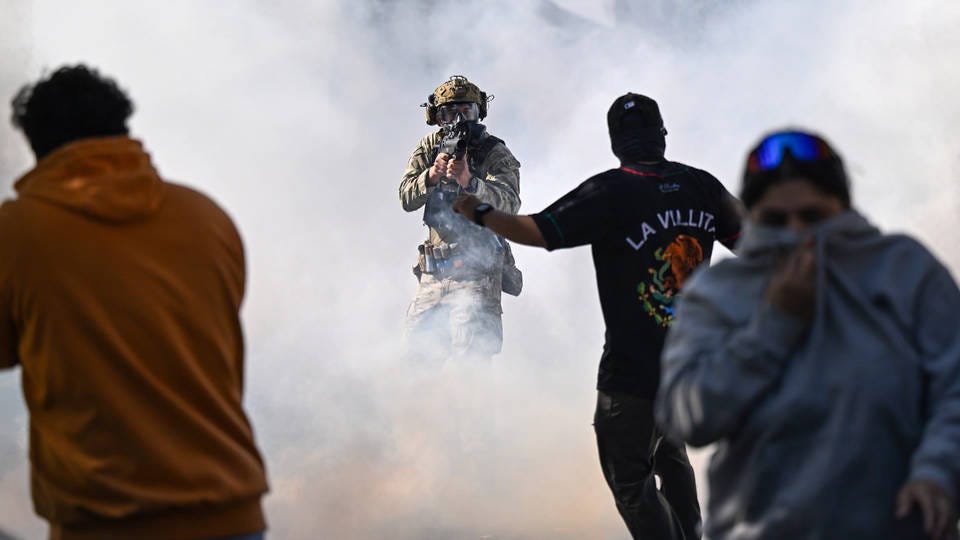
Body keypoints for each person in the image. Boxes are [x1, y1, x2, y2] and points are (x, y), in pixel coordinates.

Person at [453, 92, 743, 540]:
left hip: (631, 376)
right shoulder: (702, 186)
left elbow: (540, 230)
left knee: (631, 481)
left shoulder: (611, 190)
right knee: (670, 453)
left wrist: (481, 213)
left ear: (615, 144)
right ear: (662, 135)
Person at [0, 65, 268, 540]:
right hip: (231, 516)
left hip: (106, 523)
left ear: (38, 149)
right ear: (122, 130)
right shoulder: (206, 218)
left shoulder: (17, 233)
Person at [655, 129, 960, 540]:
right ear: (752, 219)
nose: (797, 232)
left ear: (842, 208)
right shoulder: (717, 292)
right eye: (776, 221)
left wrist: (938, 471)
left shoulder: (903, 270)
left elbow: (954, 382)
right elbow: (687, 415)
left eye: (813, 217)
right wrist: (775, 323)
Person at [400, 75, 522, 367]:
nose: (458, 119)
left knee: (472, 362)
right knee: (416, 359)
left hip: (477, 272)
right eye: (449, 112)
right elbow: (406, 197)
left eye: (466, 110)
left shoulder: (494, 151)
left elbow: (510, 204)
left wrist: (469, 181)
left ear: (479, 111)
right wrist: (431, 176)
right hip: (435, 273)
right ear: (437, 116)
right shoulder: (429, 148)